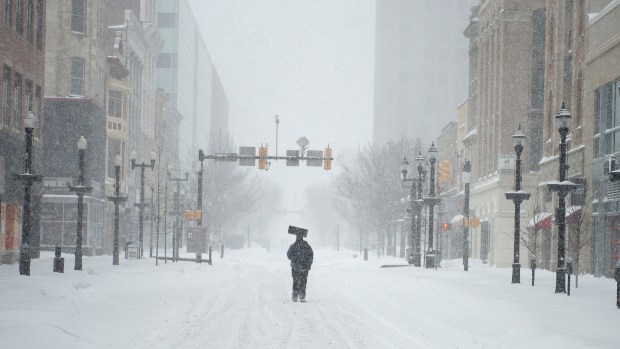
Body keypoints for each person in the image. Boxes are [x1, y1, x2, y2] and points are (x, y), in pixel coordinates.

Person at [287, 233, 313, 302]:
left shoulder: (293, 246)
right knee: (303, 282)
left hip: (295, 267)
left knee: (295, 281)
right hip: (304, 268)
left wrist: (294, 257)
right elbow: (310, 256)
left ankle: (295, 296)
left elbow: (289, 256)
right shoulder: (307, 246)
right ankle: (302, 296)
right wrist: (308, 265)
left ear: (296, 237)